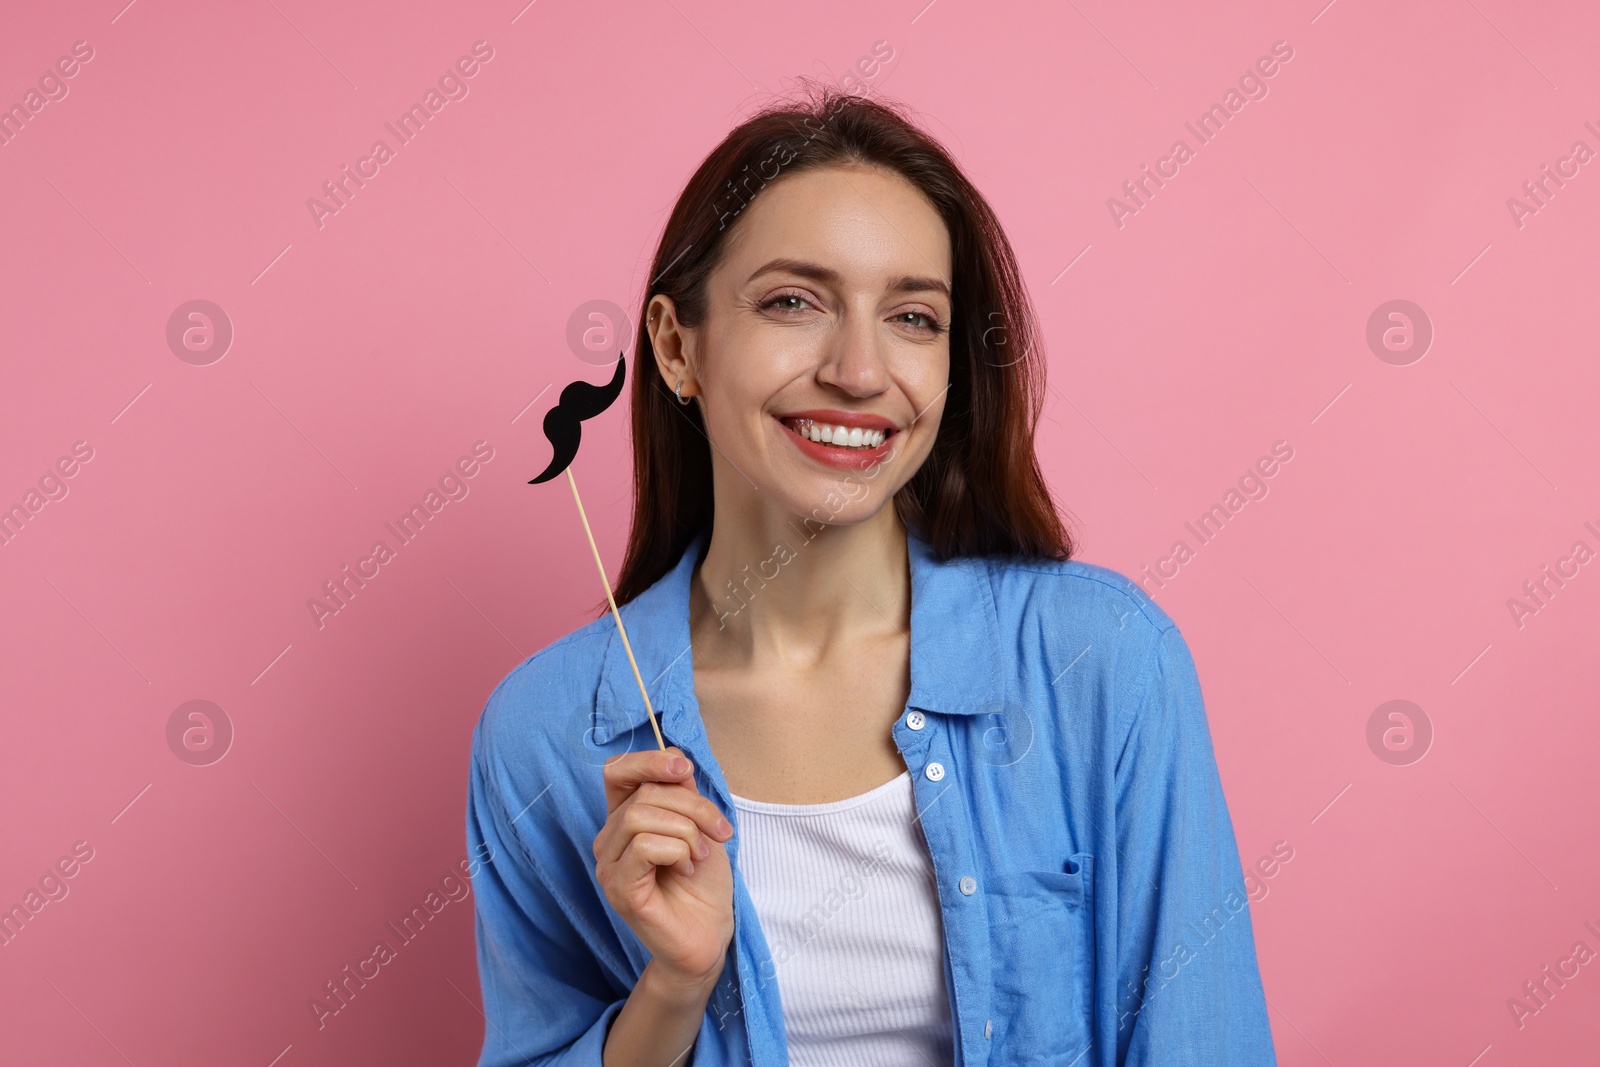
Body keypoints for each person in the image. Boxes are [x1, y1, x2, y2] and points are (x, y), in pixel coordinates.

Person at [465, 82, 1277, 1067]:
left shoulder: (1101, 663)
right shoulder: (547, 732)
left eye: (913, 317)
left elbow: (1203, 1038)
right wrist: (673, 989)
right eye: (793, 302)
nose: (858, 369)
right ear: (678, 347)